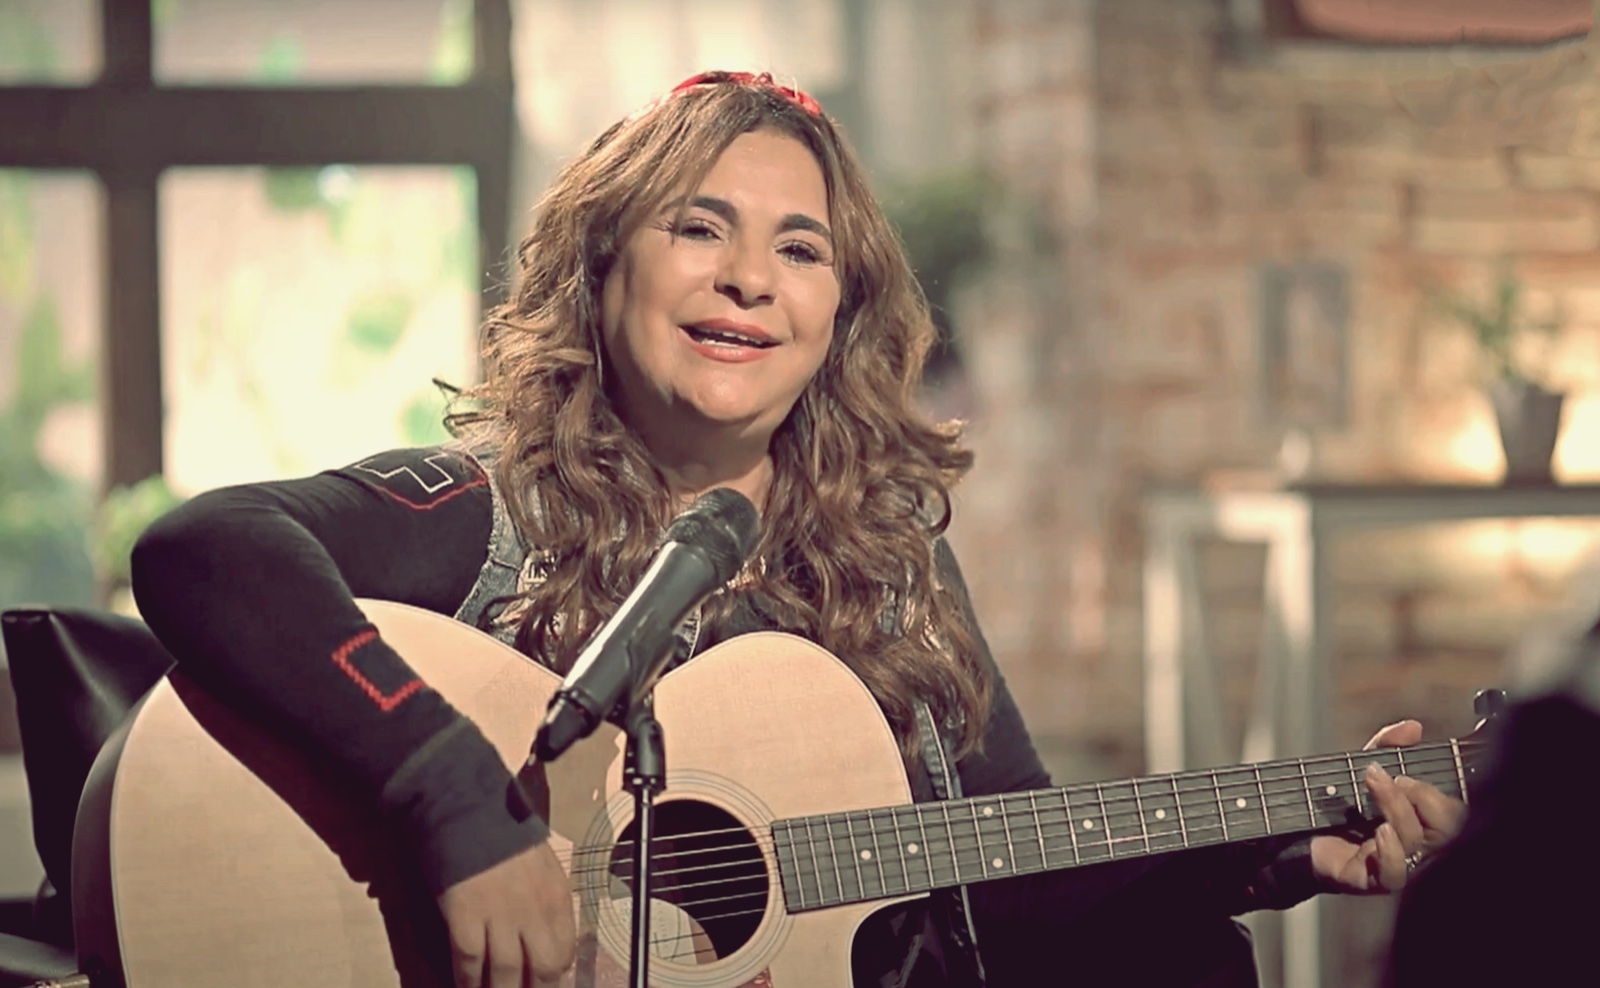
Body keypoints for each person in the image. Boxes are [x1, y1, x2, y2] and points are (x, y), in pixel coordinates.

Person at [130, 70, 1465, 988]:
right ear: (603, 268)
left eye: (801, 249)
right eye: (696, 228)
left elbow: (1010, 867)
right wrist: (454, 804)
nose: (748, 280)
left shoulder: (889, 562)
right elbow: (209, 551)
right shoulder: (498, 509)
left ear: (841, 313)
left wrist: (1285, 846)